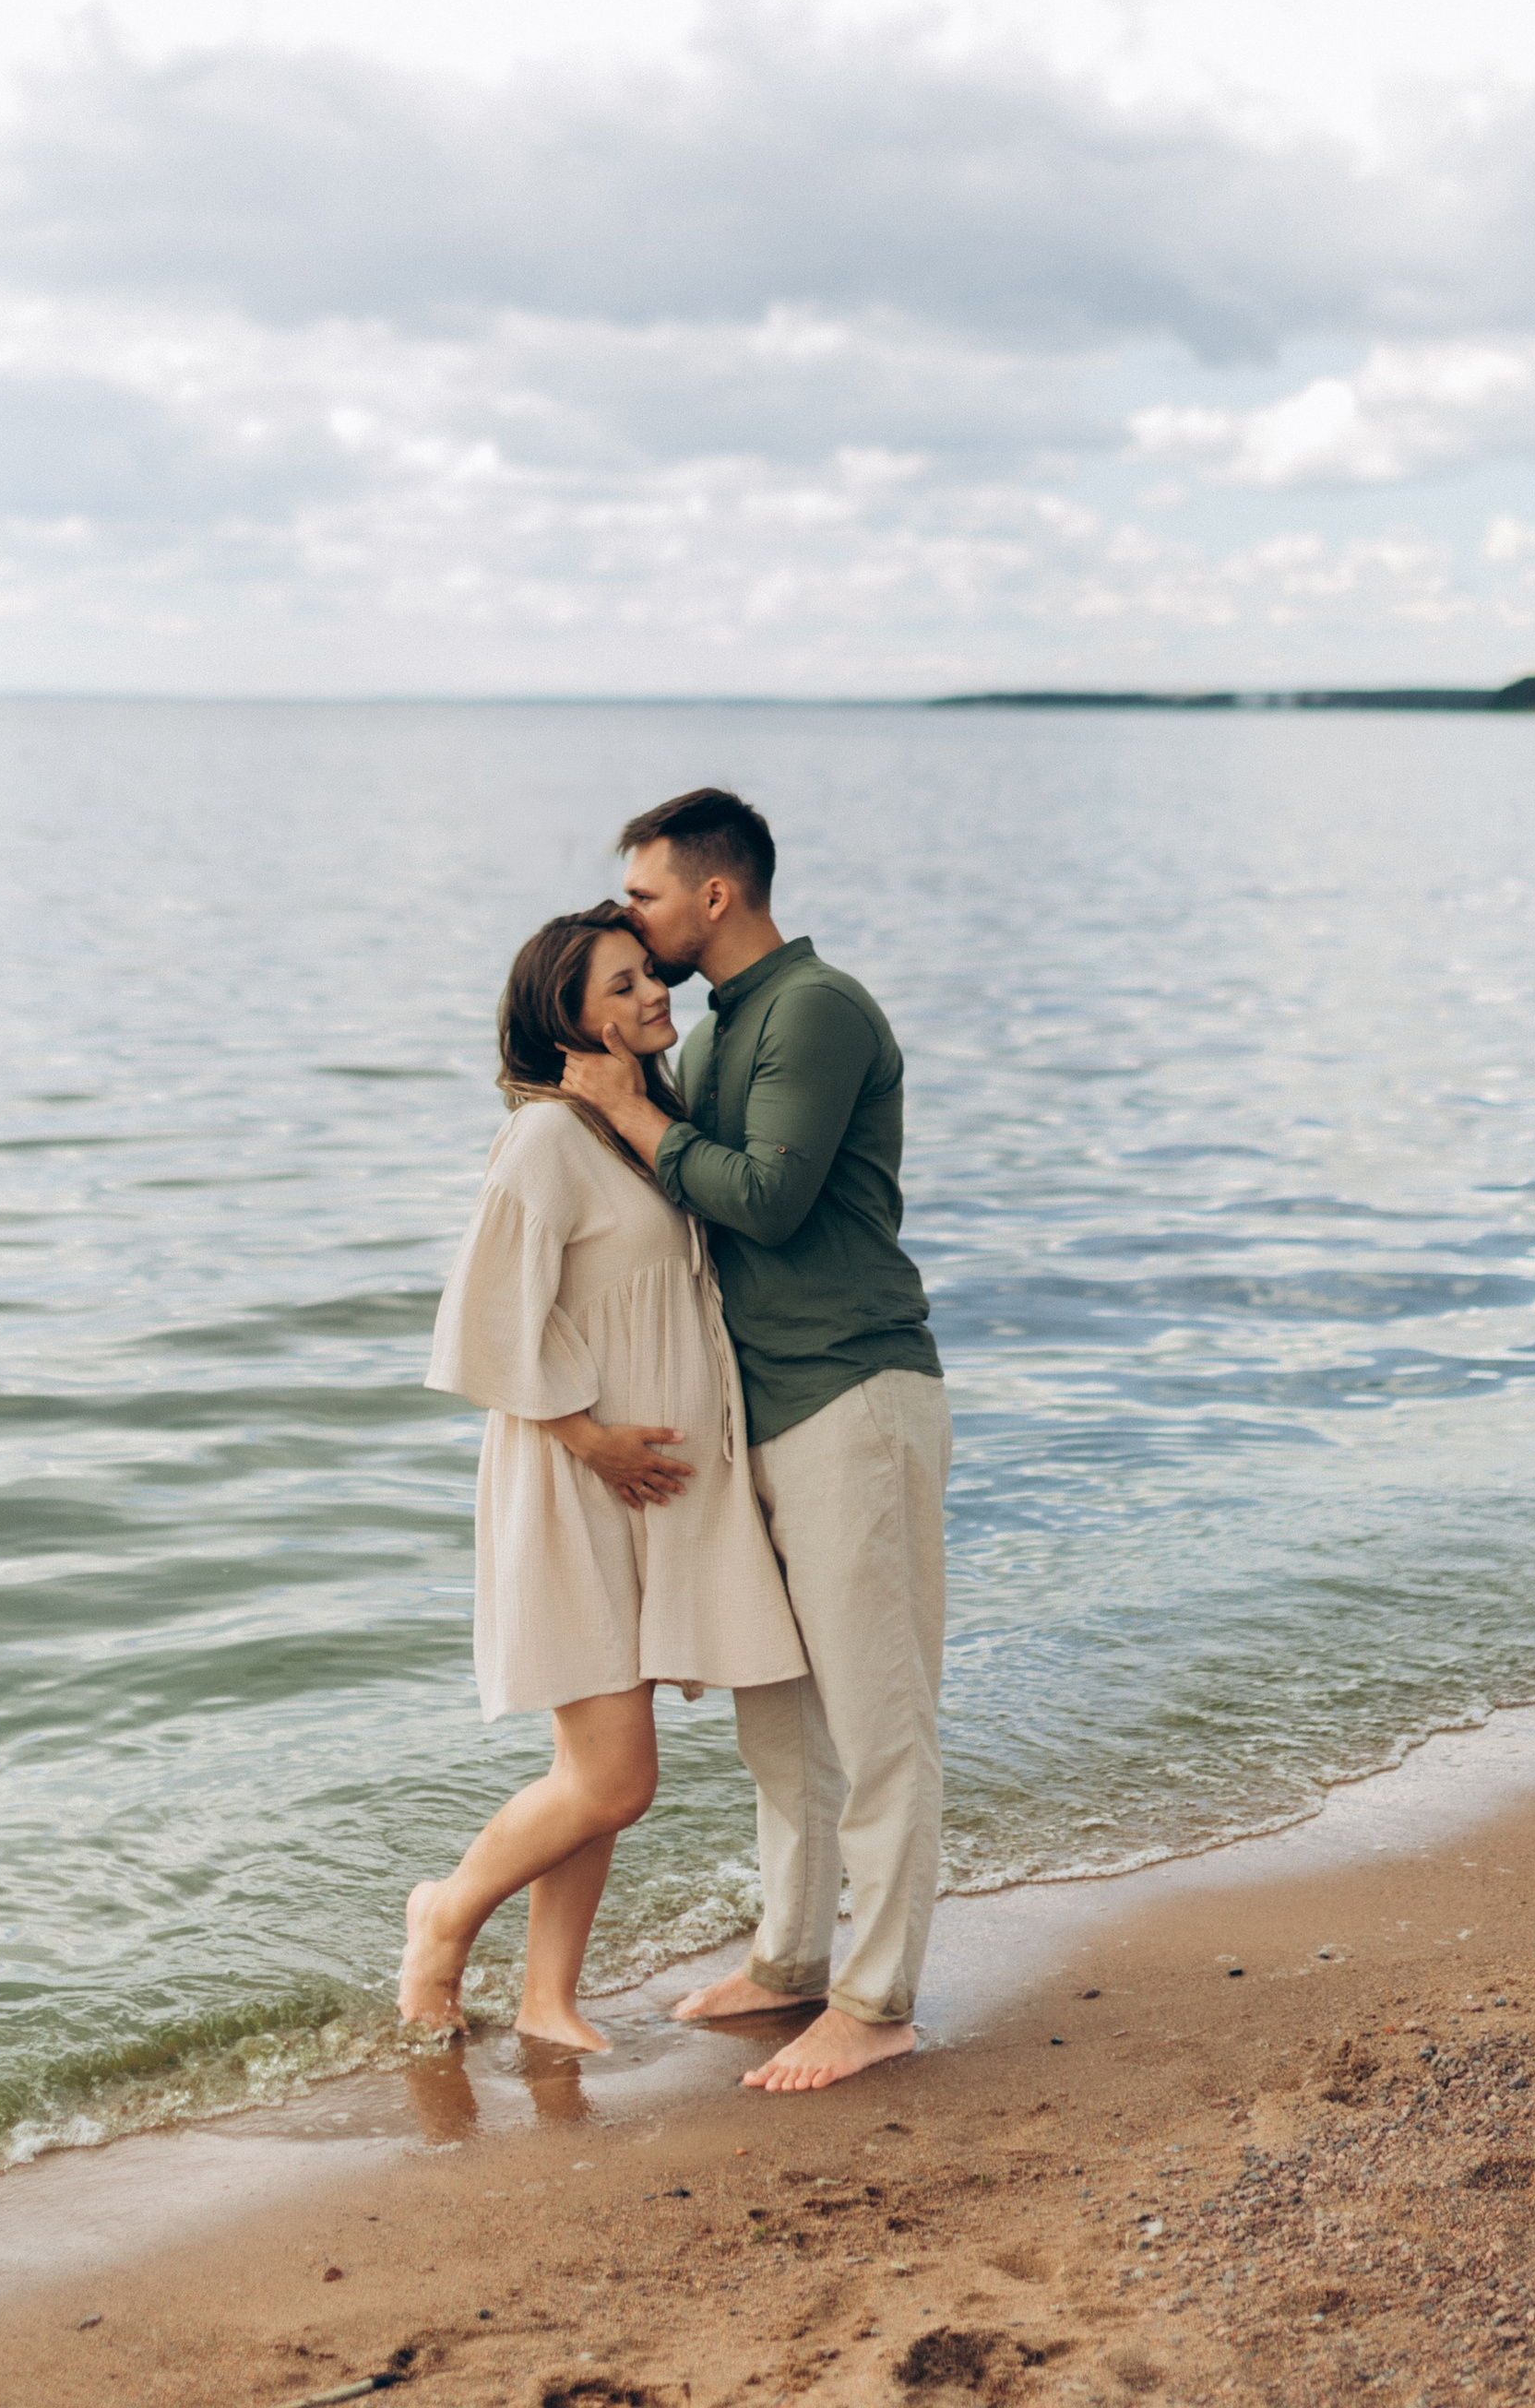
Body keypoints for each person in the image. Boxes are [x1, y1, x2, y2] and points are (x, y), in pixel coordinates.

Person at [560, 786, 947, 2095]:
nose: (633, 920)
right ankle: (790, 1959)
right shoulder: (725, 1026)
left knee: (879, 1718)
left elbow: (770, 1201)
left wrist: (633, 1114)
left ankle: (878, 2000)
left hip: (854, 1395)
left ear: (714, 895)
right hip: (761, 1412)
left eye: (646, 897)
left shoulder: (815, 1010)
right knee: (778, 1723)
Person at [403, 901, 804, 2047]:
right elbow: (479, 1326)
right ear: (565, 1018)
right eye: (620, 986)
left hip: (644, 1490)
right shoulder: (542, 1140)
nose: (651, 994)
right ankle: (443, 1917)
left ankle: (547, 2001)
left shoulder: (634, 1125)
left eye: (646, 975)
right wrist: (588, 1440)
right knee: (616, 1779)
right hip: (574, 1483)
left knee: (590, 1771)